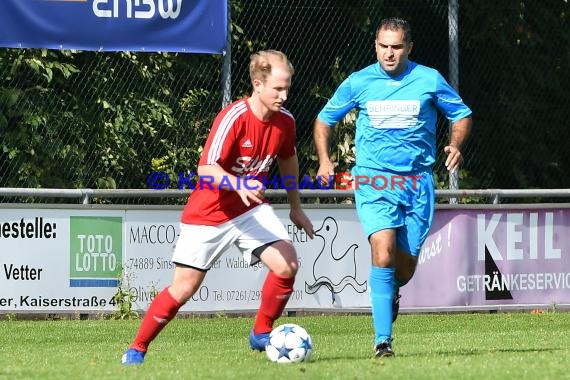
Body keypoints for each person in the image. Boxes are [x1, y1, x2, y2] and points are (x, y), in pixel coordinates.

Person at [122, 50, 314, 365]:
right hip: (209, 213)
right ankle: (137, 348)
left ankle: (261, 333)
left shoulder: (285, 122)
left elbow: (288, 159)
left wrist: (296, 208)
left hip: (250, 210)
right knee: (183, 289)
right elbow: (206, 170)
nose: (284, 95)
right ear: (257, 84)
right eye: (278, 88)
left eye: (287, 88)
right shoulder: (233, 117)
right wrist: (239, 184)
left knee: (287, 265)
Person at [314, 18, 472, 358]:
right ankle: (382, 341)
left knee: (403, 268)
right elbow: (324, 119)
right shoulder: (359, 82)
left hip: (417, 183)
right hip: (374, 181)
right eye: (384, 46)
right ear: (375, 45)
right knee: (382, 251)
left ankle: (392, 293)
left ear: (409, 48)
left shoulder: (428, 79)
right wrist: (325, 161)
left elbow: (461, 115)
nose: (389, 53)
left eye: (396, 47)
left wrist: (456, 144)